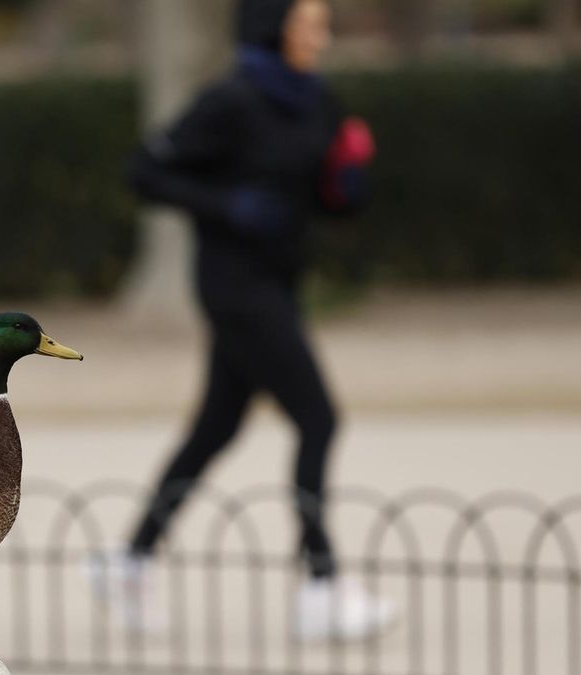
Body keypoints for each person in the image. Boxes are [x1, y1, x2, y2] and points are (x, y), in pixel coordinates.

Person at [108, 0, 392, 641]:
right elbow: (146, 172)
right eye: (309, 22)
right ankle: (322, 584)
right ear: (275, 25)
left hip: (281, 283)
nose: (322, 34)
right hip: (234, 288)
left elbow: (326, 200)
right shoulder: (230, 100)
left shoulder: (317, 98)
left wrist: (347, 177)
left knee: (216, 428)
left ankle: (130, 559)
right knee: (319, 418)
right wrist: (226, 204)